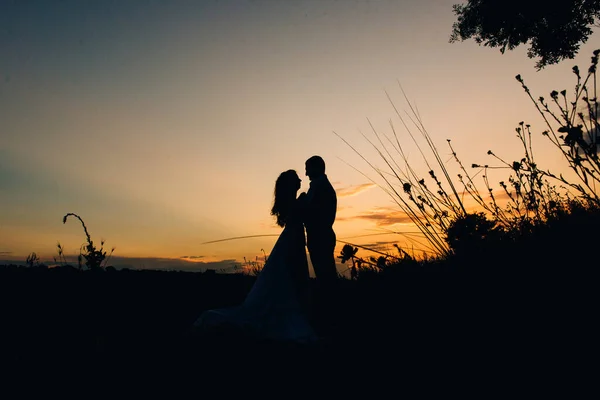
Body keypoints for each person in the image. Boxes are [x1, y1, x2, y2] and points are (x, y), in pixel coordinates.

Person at [193, 170, 317, 344]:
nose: (300, 179)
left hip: (293, 239)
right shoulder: (295, 202)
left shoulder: (294, 201)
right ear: (291, 183)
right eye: (296, 178)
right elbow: (299, 216)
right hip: (292, 240)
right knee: (289, 276)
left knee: (289, 277)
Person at [299, 156, 339, 334]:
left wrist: (301, 204)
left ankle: (330, 318)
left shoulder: (321, 187)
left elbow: (314, 213)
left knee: (326, 277)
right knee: (325, 276)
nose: (305, 172)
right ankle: (329, 314)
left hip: (321, 237)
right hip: (319, 237)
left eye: (307, 168)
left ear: (316, 168)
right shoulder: (319, 186)